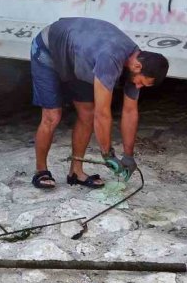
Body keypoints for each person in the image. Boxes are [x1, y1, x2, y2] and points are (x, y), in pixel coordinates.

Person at [30, 17, 168, 189]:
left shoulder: (137, 63)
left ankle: (76, 172)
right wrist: (107, 154)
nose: (138, 87)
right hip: (49, 48)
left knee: (87, 113)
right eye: (141, 82)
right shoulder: (110, 58)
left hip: (78, 57)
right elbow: (102, 113)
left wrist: (128, 156)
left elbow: (130, 112)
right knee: (52, 116)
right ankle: (41, 171)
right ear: (137, 67)